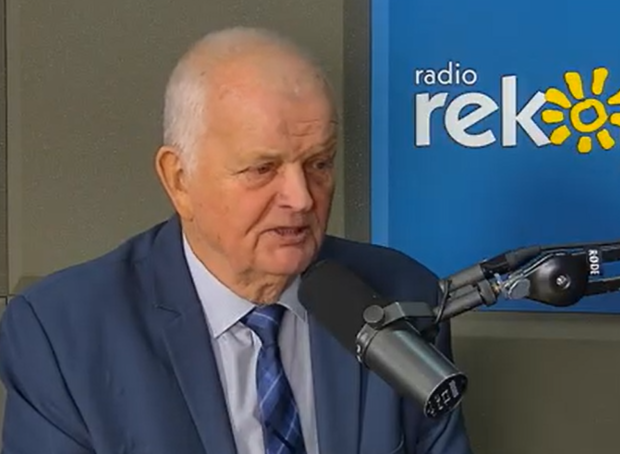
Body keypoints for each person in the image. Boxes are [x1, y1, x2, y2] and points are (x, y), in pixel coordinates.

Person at [0, 27, 473, 454]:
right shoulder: (61, 334)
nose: (301, 198)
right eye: (262, 169)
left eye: (319, 164)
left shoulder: (400, 295)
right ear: (179, 179)